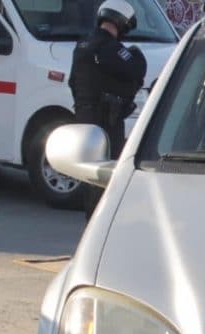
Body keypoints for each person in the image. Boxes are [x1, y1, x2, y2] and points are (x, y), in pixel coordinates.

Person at [69, 0, 147, 216]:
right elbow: (136, 69)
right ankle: (100, 222)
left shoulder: (83, 45)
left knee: (89, 174)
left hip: (83, 118)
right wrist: (135, 52)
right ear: (121, 23)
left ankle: (91, 219)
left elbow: (73, 82)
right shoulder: (111, 48)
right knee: (106, 175)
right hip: (106, 121)